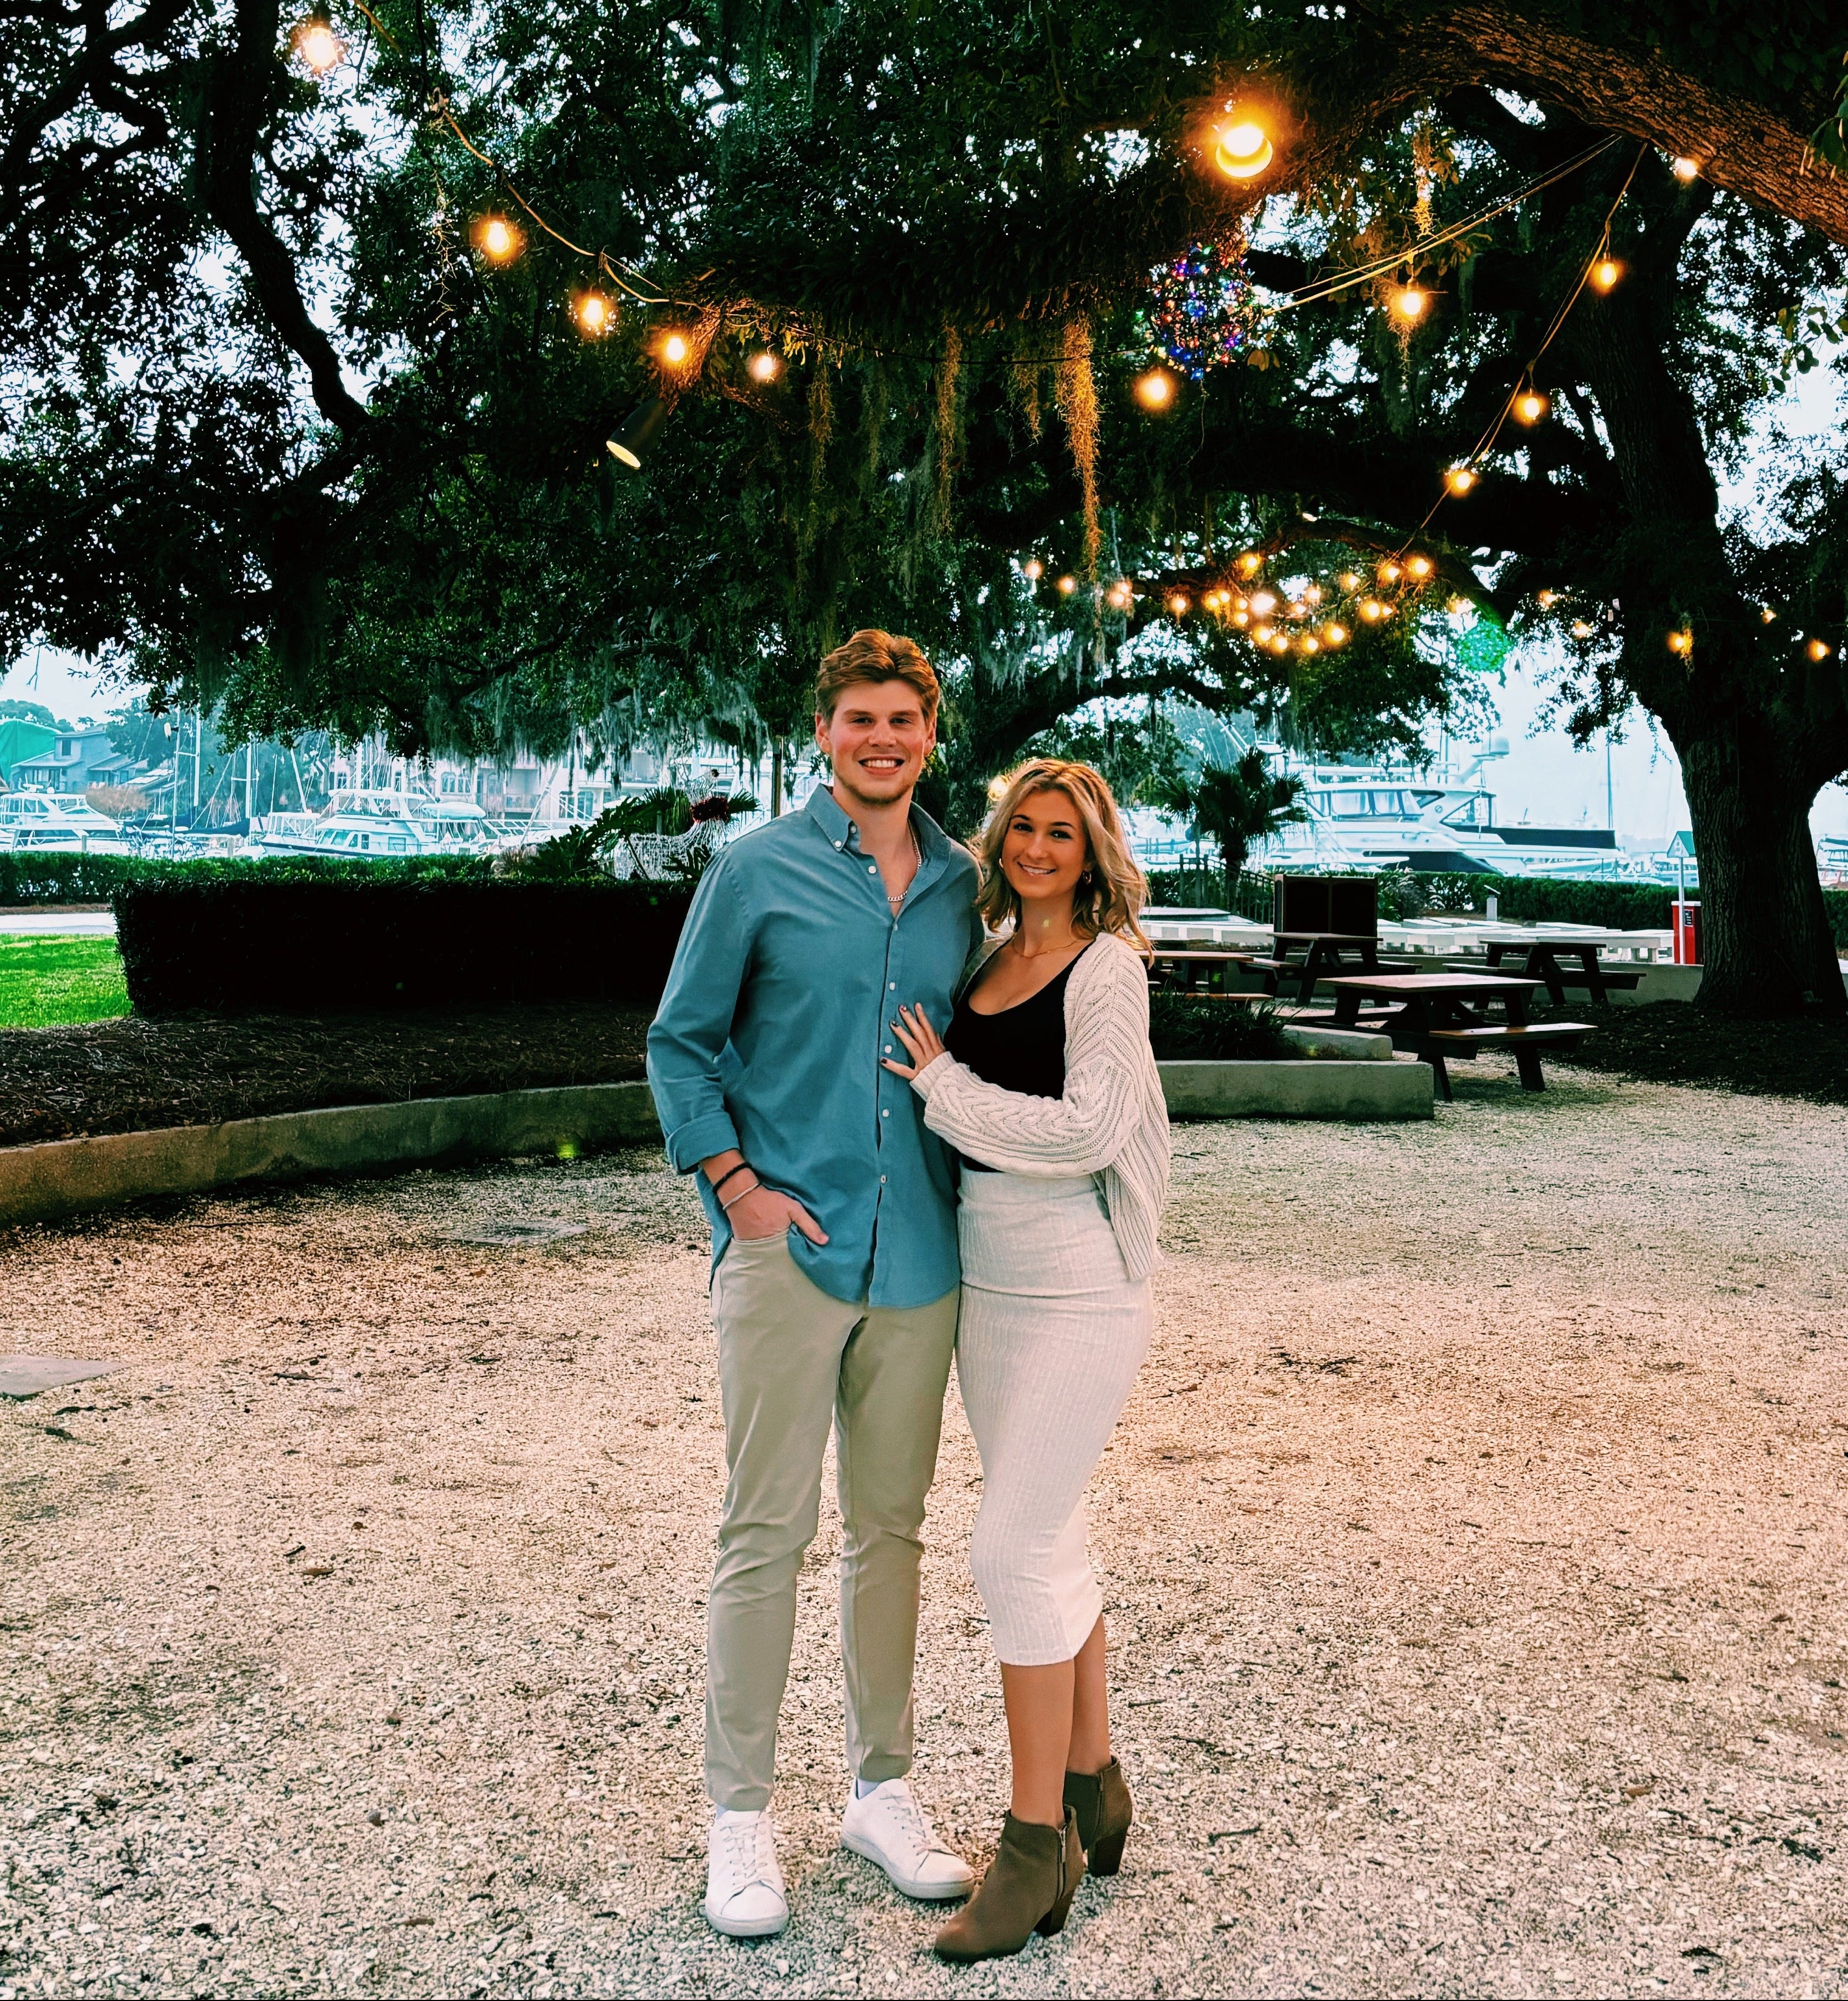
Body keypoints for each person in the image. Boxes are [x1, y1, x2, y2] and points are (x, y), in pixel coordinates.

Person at [647, 630, 984, 1940]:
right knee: (763, 1532)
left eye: (903, 717)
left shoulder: (967, 882)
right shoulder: (756, 870)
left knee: (891, 1533)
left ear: (930, 730)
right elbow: (680, 1045)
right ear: (825, 732)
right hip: (789, 1251)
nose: (882, 737)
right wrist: (735, 1189)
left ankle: (880, 1788)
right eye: (859, 718)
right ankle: (739, 1815)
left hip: (923, 1258)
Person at [882, 758, 1171, 1963]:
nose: (1039, 850)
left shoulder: (1107, 970)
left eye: (1063, 834)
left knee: (1004, 1548)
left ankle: (1033, 1841)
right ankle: (1096, 1776)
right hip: (988, 1286)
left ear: (1093, 851)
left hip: (1079, 1285)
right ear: (999, 843)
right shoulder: (987, 958)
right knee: (1049, 1535)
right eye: (1023, 831)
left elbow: (1092, 1127)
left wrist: (945, 1088)